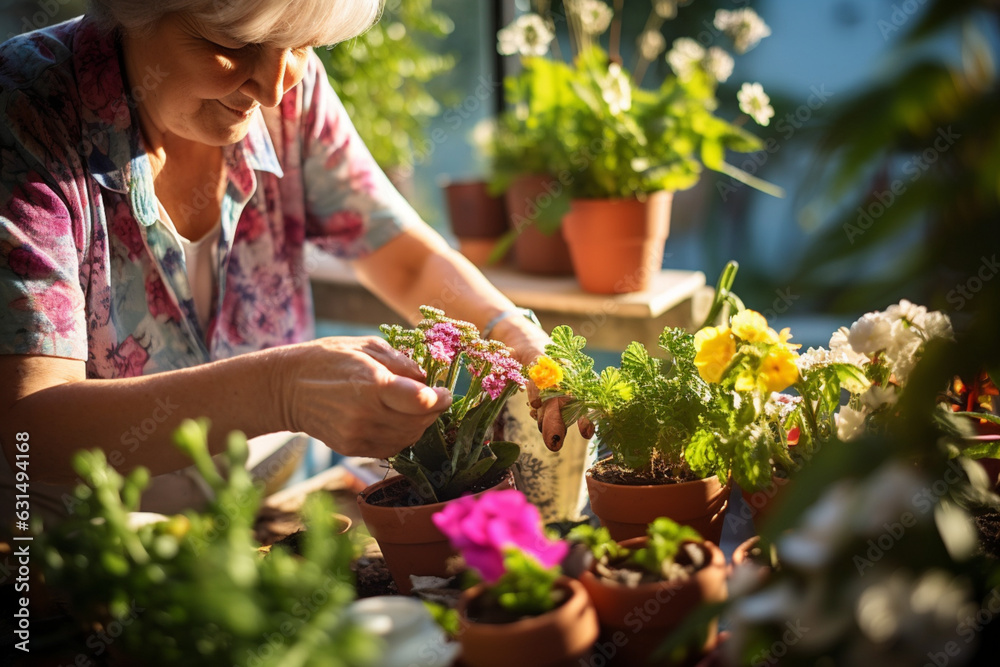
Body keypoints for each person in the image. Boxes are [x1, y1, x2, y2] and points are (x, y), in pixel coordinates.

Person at [0, 0, 590, 519]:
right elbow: (33, 428)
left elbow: (401, 256)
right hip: (81, 550)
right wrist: (282, 391)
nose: (276, 86)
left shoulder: (292, 89)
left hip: (266, 511)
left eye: (302, 45)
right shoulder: (25, 109)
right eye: (234, 45)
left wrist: (514, 338)